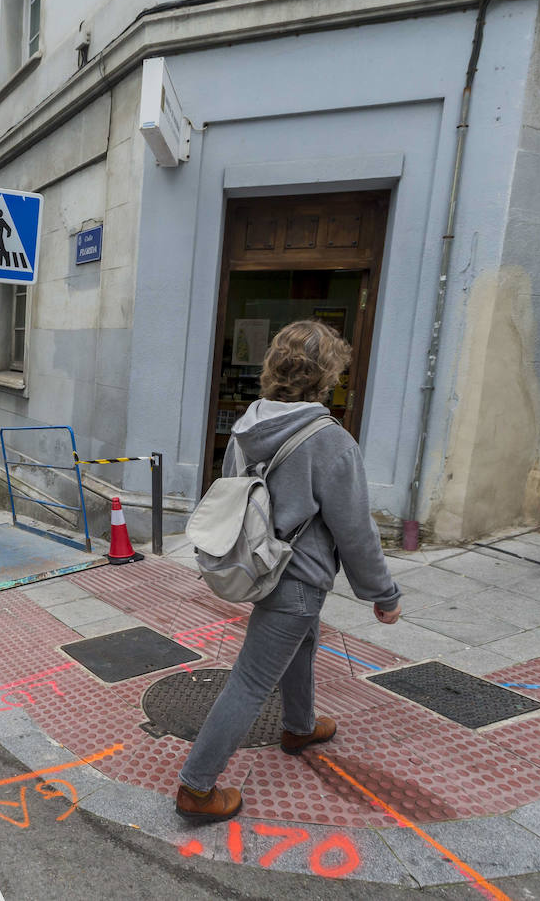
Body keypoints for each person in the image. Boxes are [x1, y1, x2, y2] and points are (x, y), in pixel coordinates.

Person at [176, 320, 403, 823]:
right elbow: (355, 531)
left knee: (302, 643)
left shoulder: (247, 427)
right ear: (326, 376)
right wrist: (383, 593)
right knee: (251, 681)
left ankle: (300, 725)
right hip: (297, 579)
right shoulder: (331, 441)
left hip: (259, 565)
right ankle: (196, 786)